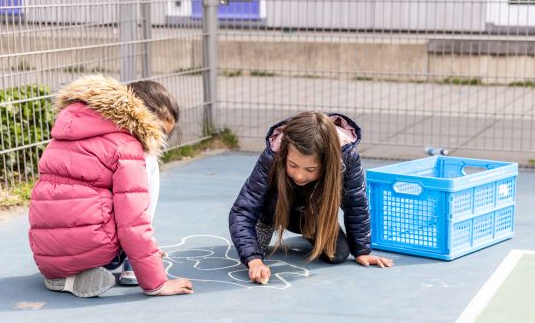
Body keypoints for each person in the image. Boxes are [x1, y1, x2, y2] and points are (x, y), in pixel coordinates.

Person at [28, 75, 193, 297]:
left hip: (46, 253)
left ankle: (64, 278)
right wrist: (156, 282)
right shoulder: (129, 147)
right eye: (161, 133)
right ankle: (129, 265)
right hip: (93, 246)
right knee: (147, 167)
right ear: (143, 117)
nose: (159, 141)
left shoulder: (66, 130)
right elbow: (133, 220)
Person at [229, 111, 393, 285]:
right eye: (293, 165)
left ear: (326, 162)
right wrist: (254, 260)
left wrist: (362, 250)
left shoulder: (346, 157)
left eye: (310, 169)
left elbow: (356, 203)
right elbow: (242, 211)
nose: (299, 176)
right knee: (252, 250)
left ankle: (308, 227)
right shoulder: (272, 155)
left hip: (310, 212)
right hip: (274, 209)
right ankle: (265, 222)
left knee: (338, 254)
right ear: (285, 153)